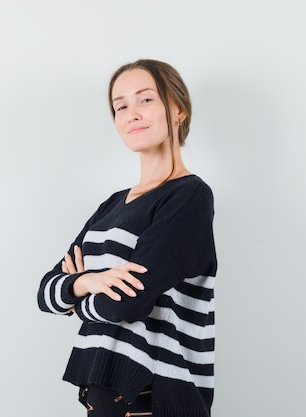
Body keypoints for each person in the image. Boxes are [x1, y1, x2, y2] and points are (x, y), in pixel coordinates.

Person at [37, 59, 217, 417]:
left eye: (145, 100)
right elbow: (45, 292)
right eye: (120, 106)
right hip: (105, 393)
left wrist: (78, 297)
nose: (131, 113)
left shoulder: (189, 196)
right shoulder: (111, 205)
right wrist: (91, 281)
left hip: (154, 394)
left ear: (178, 110)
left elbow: (125, 305)